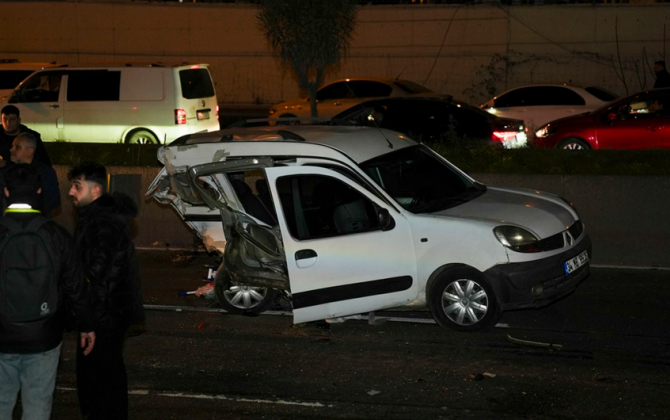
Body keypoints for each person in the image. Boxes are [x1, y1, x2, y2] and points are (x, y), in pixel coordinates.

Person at [0, 164, 95, 420]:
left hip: (2, 335)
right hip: (44, 336)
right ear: (39, 191)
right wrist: (86, 326)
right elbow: (76, 286)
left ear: (6, 192)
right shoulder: (56, 235)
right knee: (38, 405)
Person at [68, 162, 145, 420]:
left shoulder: (102, 223)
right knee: (105, 378)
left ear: (96, 190)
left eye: (77, 186)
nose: (71, 192)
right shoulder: (98, 218)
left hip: (105, 316)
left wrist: (87, 320)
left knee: (99, 382)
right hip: (108, 314)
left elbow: (95, 275)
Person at [10, 132, 61, 217]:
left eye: (17, 147)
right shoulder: (8, 172)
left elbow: (54, 205)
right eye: (12, 146)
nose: (11, 150)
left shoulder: (45, 173)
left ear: (29, 151)